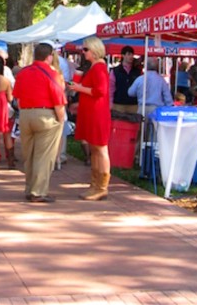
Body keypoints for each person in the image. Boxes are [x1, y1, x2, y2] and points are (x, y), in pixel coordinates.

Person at [12, 42, 66, 203]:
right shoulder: (52, 73)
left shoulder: (23, 72)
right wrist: (60, 120)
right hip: (46, 115)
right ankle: (38, 191)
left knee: (29, 155)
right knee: (44, 156)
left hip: (25, 114)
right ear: (49, 57)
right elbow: (58, 101)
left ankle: (29, 188)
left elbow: (18, 99)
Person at [68, 36, 112, 201]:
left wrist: (80, 88)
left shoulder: (99, 68)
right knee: (95, 149)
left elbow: (100, 90)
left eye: (85, 49)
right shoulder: (95, 67)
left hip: (97, 114)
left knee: (100, 149)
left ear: (94, 51)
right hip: (91, 111)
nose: (83, 52)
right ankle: (95, 184)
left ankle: (101, 186)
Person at [109, 46, 141, 114]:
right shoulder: (115, 71)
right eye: (129, 54)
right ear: (123, 55)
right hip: (118, 105)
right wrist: (110, 103)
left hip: (134, 105)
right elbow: (111, 88)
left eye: (132, 54)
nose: (131, 56)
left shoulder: (137, 71)